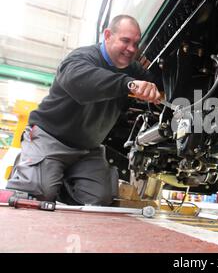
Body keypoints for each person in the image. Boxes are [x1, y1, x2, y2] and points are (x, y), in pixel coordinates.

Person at [6, 15, 162, 206]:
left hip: (87, 149)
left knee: (99, 200)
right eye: (125, 41)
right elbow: (80, 82)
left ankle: (54, 177)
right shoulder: (82, 57)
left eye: (135, 44)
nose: (131, 49)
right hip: (50, 138)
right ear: (107, 35)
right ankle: (35, 171)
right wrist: (128, 84)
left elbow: (159, 83)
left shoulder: (132, 68)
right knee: (36, 195)